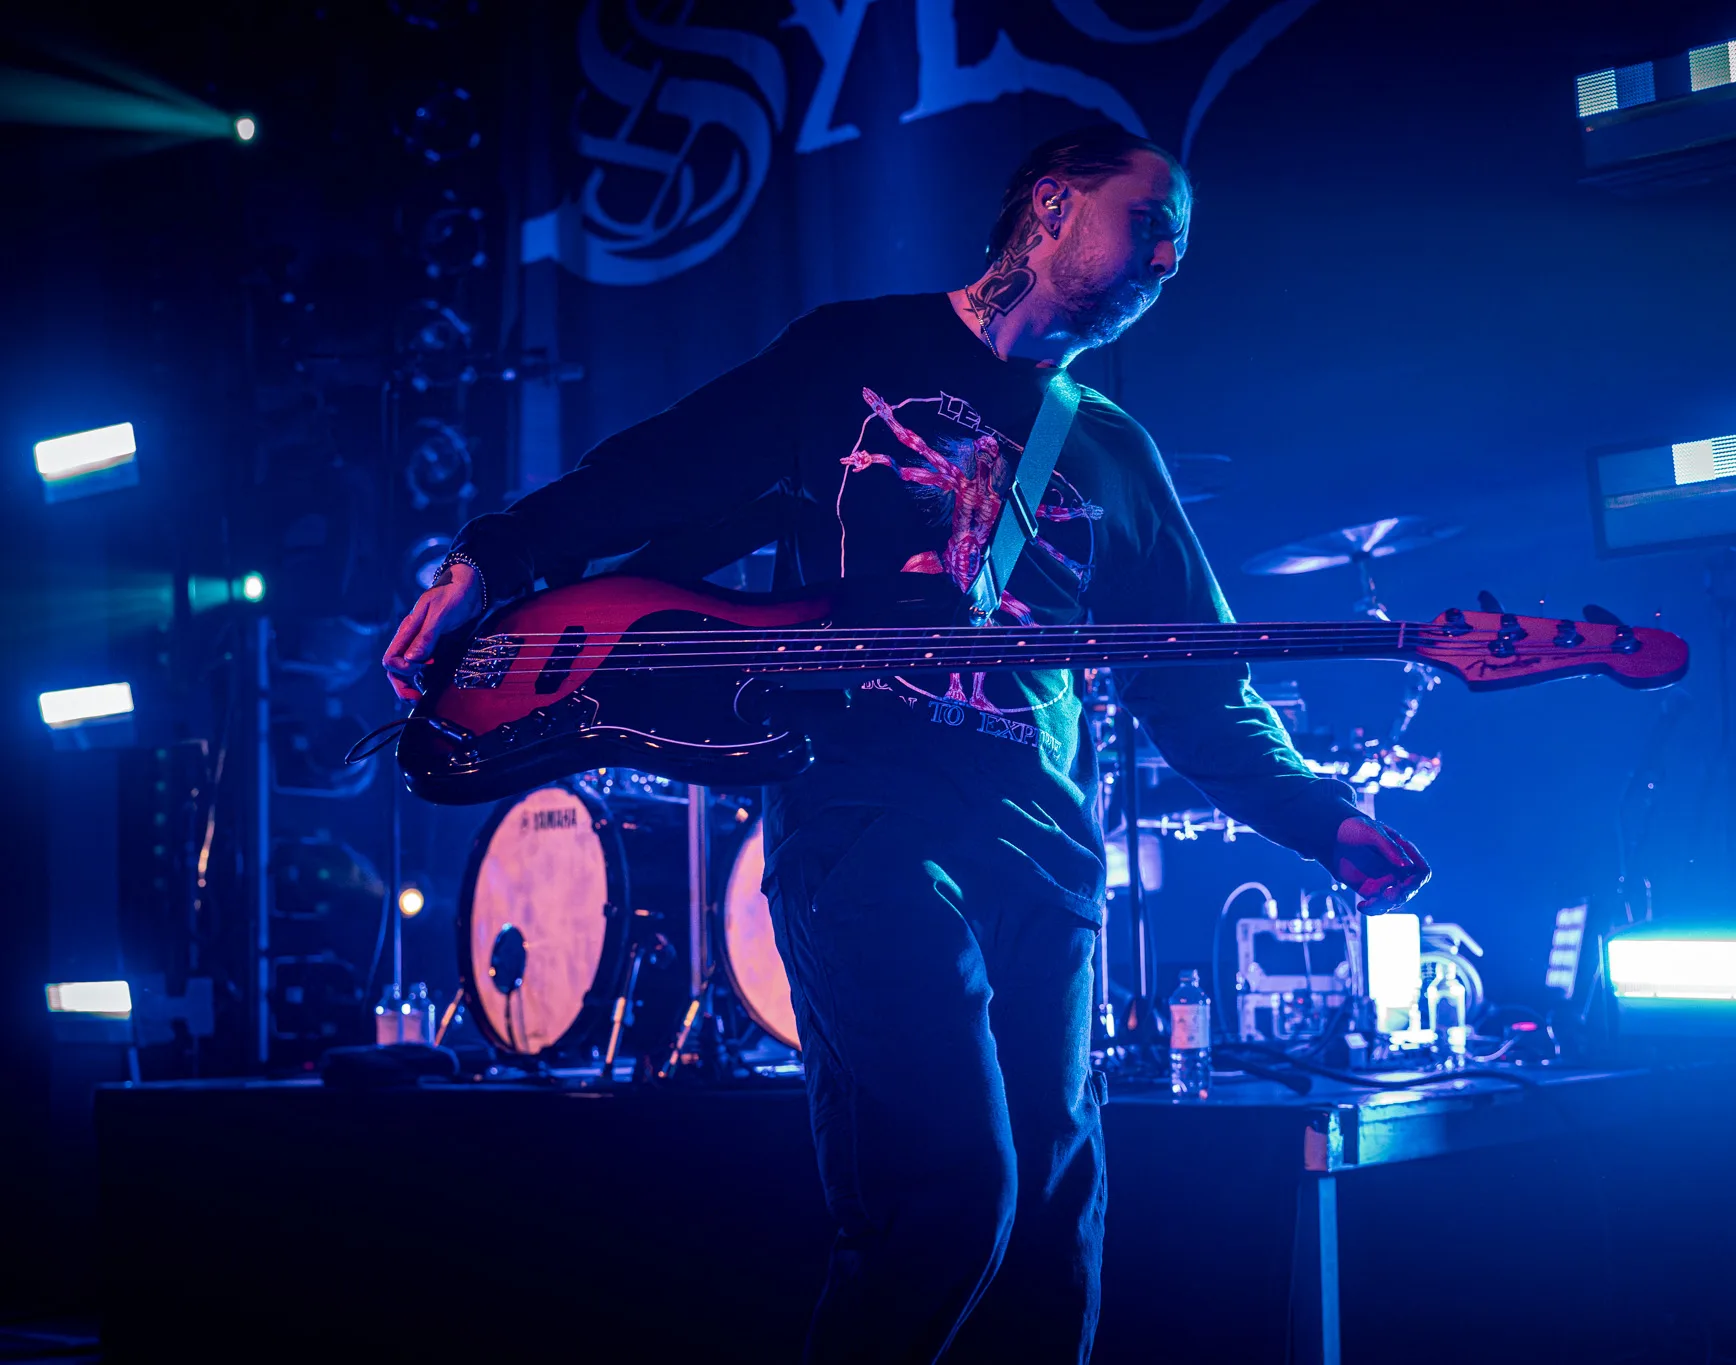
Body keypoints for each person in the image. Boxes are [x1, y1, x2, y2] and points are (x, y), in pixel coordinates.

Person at [382, 125, 1430, 1364]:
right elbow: (659, 471)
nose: (1167, 259)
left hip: (1044, 860)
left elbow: (1199, 688)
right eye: (1150, 224)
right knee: (945, 1198)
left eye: (1181, 246)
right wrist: (489, 558)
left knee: (1050, 1237)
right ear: (1051, 206)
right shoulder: (853, 354)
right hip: (864, 824)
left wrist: (1322, 820)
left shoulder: (1114, 453)